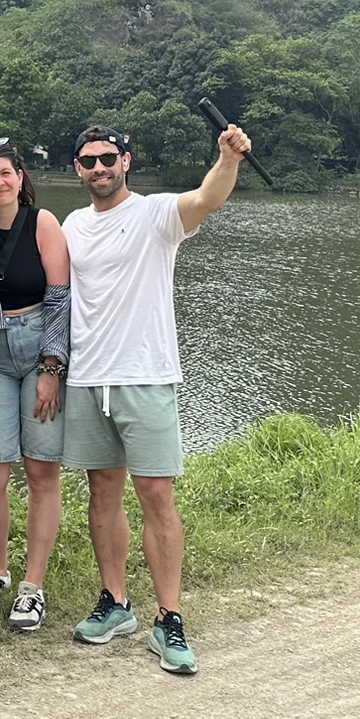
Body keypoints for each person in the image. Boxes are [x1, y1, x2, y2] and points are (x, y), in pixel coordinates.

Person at [62, 119, 249, 677]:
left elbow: (207, 197)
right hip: (87, 378)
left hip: (145, 374)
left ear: (126, 161)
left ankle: (169, 619)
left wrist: (228, 158)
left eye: (108, 158)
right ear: (78, 168)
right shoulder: (72, 224)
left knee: (156, 495)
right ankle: (116, 603)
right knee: (102, 492)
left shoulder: (155, 214)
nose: (99, 168)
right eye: (89, 160)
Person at [0, 138, 72, 634]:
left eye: (6, 173)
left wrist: (52, 368)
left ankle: (33, 585)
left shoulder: (43, 223)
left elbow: (60, 296)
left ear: (21, 177)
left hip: (37, 348)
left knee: (42, 468)